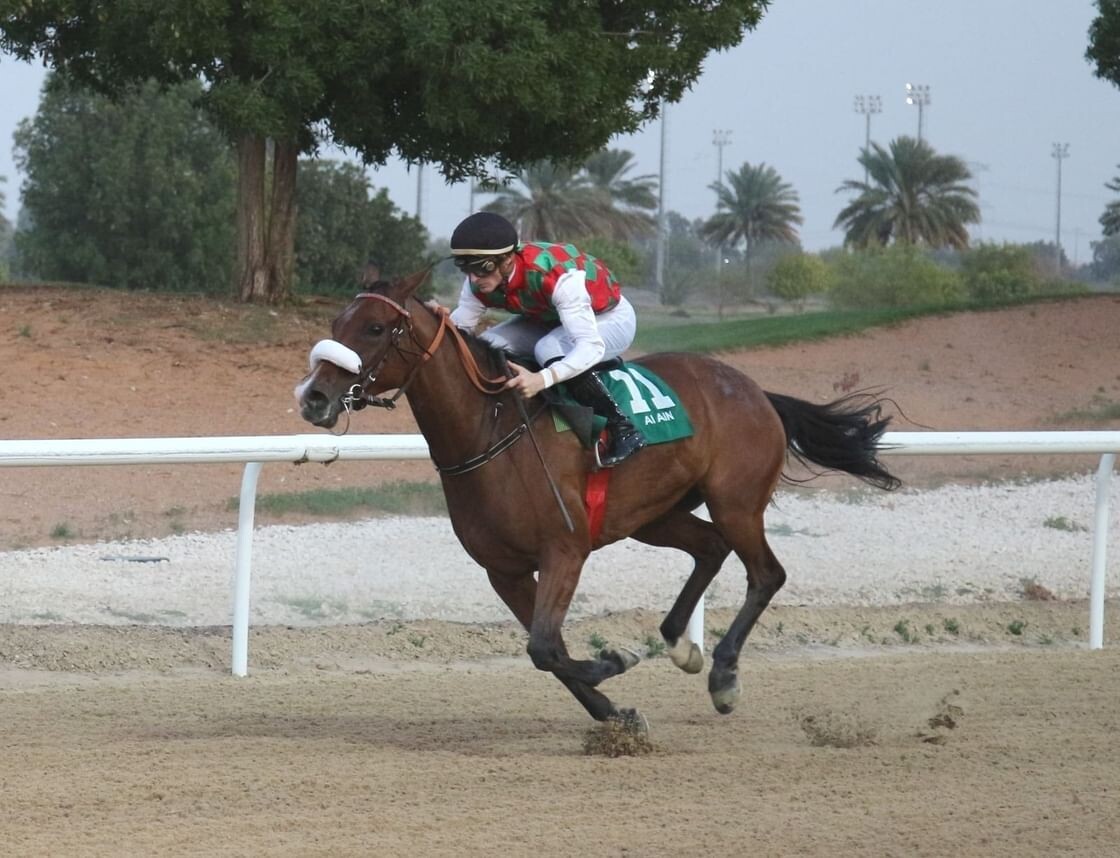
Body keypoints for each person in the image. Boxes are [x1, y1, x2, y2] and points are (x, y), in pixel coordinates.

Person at [446, 211, 645, 467]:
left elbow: (590, 347)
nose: (474, 278)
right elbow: (459, 329)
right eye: (466, 268)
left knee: (548, 347)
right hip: (549, 318)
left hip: (609, 317)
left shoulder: (557, 277)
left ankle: (623, 428)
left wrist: (541, 379)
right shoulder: (479, 281)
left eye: (481, 268)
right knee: (491, 345)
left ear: (507, 260)